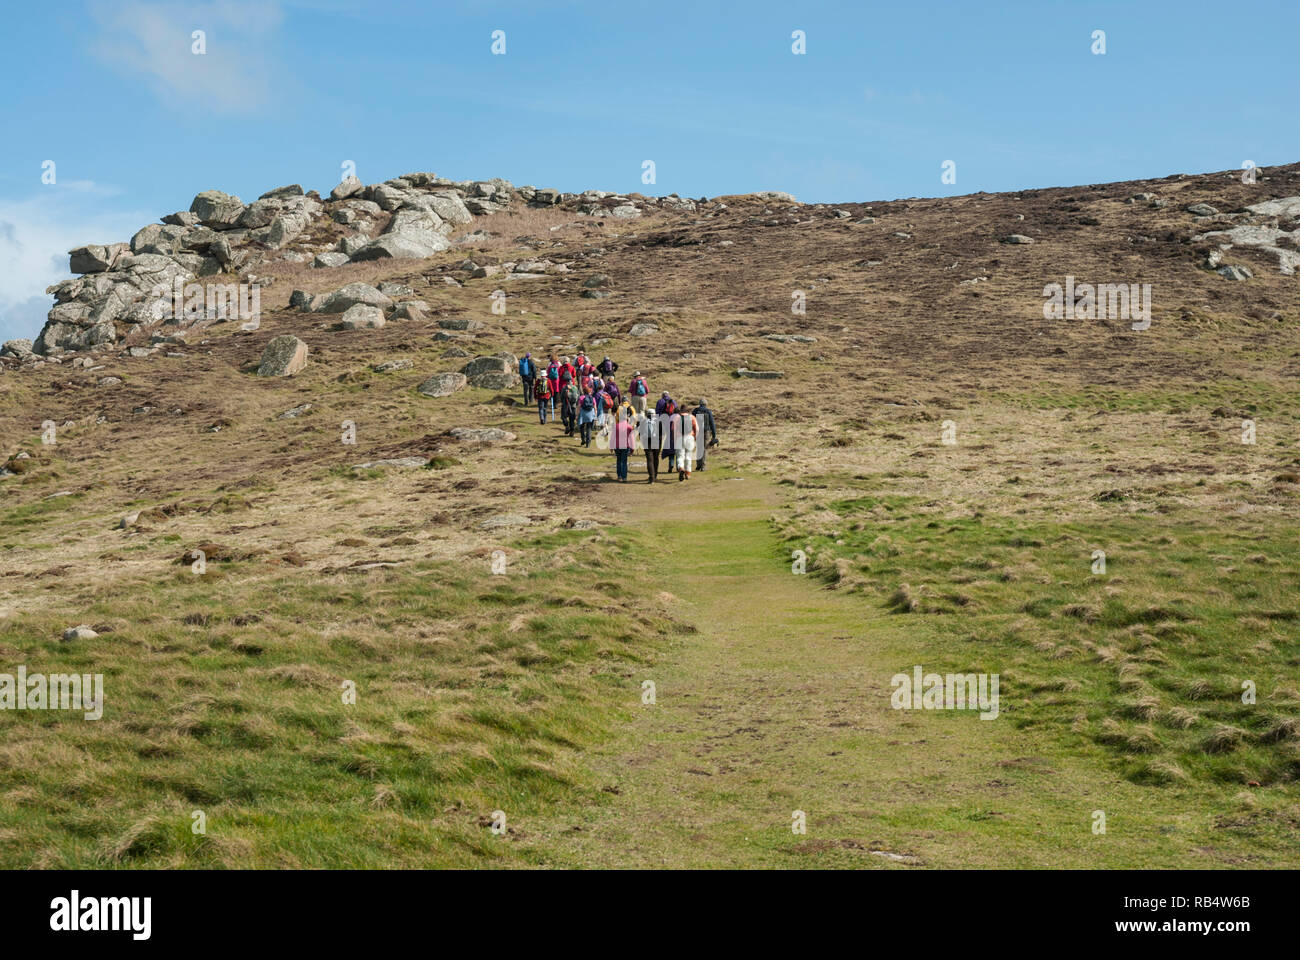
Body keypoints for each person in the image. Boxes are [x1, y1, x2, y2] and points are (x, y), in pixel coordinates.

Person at [673, 404, 698, 480]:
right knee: (688, 456)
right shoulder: (692, 417)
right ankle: (688, 473)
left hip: (679, 438)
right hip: (690, 437)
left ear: (681, 410)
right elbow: (697, 429)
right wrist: (695, 438)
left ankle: (681, 468)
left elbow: (673, 429)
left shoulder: (677, 417)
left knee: (680, 456)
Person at [611, 406, 636, 482]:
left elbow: (612, 437)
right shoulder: (629, 427)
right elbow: (631, 438)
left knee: (618, 461)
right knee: (624, 462)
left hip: (617, 446)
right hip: (626, 446)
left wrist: (611, 447)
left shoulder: (616, 426)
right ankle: (624, 477)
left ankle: (619, 476)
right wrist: (632, 448)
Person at [692, 398, 718, 471]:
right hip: (706, 431)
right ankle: (703, 466)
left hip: (697, 431)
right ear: (706, 404)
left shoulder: (695, 411)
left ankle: (698, 465)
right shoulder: (708, 411)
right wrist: (714, 435)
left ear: (700, 403)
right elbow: (712, 423)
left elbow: (692, 421)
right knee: (705, 448)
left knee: (698, 448)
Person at [637, 410, 661, 483]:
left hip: (647, 442)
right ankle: (655, 475)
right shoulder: (659, 422)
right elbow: (662, 433)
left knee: (649, 460)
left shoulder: (643, 422)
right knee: (656, 459)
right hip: (657, 442)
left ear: (647, 414)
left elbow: (640, 434)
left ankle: (651, 478)